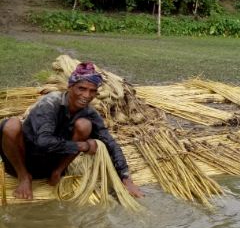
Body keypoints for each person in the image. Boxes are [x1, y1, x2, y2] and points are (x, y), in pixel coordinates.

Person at [0, 62, 144, 200]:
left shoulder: (89, 113)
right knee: (11, 125)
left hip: (52, 166)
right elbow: (43, 142)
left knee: (85, 125)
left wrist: (126, 178)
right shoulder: (50, 104)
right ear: (70, 87)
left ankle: (57, 172)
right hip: (25, 159)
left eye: (92, 91)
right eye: (81, 88)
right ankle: (24, 177)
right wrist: (84, 146)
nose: (87, 95)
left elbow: (110, 143)